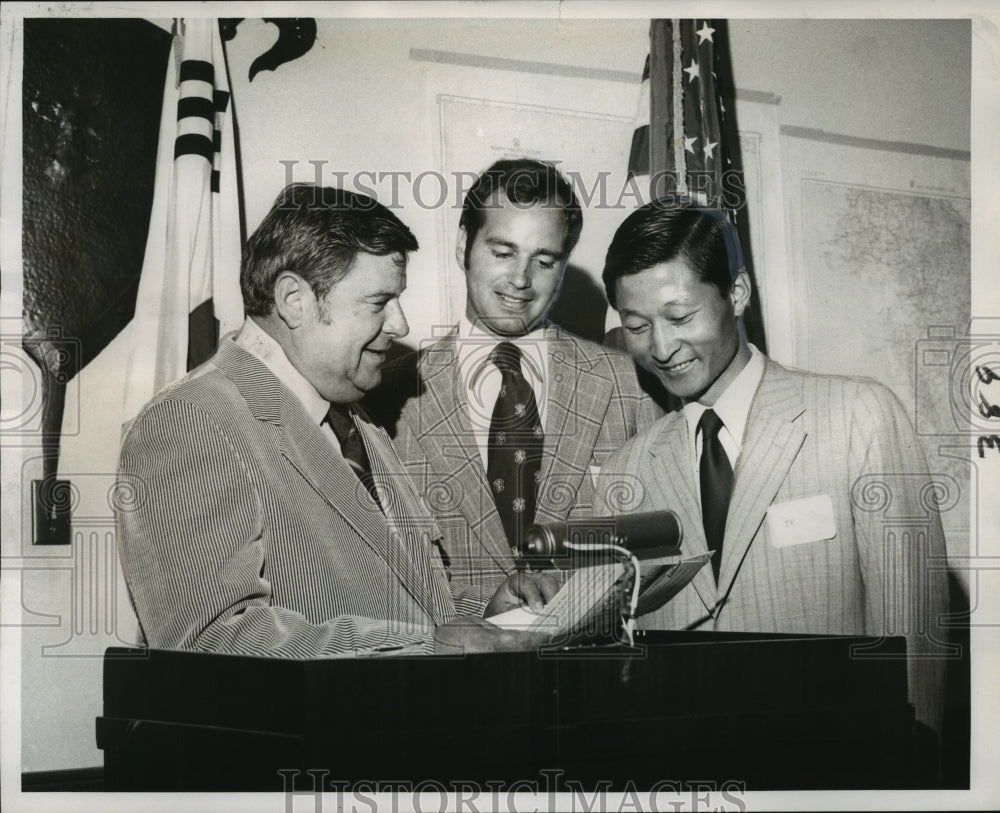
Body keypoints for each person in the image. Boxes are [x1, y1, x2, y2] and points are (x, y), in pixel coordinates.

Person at [115, 183, 557, 658]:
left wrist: (487, 613)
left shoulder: (355, 420)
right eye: (378, 302)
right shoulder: (190, 422)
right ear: (294, 299)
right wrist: (430, 648)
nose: (400, 325)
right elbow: (216, 639)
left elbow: (406, 604)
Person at [595, 199, 948, 744]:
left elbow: (914, 639)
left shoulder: (858, 416)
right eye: (637, 326)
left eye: (681, 317)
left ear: (736, 293)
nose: (661, 348)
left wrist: (916, 772)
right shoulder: (626, 471)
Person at [369, 159, 661, 597]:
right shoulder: (385, 392)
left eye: (544, 261)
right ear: (463, 244)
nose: (521, 279)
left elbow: (659, 543)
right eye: (502, 253)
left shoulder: (627, 384)